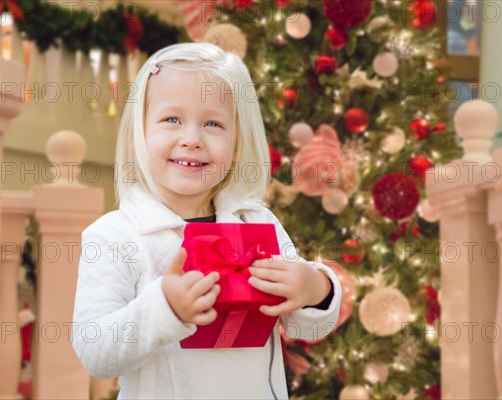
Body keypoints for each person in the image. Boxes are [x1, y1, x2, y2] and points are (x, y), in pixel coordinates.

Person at [72, 43, 341, 399]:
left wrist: (315, 290)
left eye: (213, 123)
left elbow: (305, 328)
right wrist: (162, 308)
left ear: (236, 142)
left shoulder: (257, 222)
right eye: (172, 120)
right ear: (140, 132)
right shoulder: (114, 236)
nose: (191, 139)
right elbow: (96, 354)